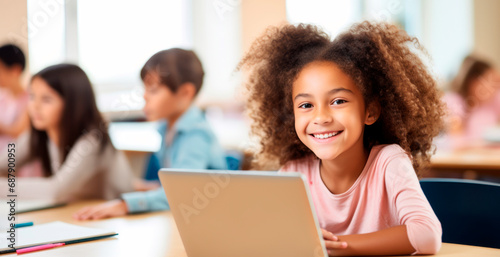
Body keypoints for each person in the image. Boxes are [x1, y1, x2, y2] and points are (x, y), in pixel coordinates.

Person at [239, 22, 444, 255]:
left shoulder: (389, 162)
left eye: (338, 101)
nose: (321, 117)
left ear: (370, 111)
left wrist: (334, 247)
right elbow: (272, 238)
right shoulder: (292, 174)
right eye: (306, 105)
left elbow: (427, 235)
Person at [73, 48, 227, 220]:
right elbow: (175, 185)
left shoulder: (196, 135)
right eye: (145, 89)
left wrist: (124, 205)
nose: (145, 96)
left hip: (206, 220)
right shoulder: (166, 128)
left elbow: (183, 194)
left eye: (153, 90)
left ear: (185, 93)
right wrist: (147, 187)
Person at [0, 64, 134, 202]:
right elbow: (3, 163)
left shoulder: (92, 140)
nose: (35, 106)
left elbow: (54, 191)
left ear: (73, 104)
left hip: (114, 216)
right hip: (75, 211)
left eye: (46, 99)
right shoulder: (39, 135)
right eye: (32, 96)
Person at [0, 44, 42, 177]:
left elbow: (18, 131)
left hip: (21, 163)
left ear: (15, 70)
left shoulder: (30, 99)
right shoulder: (2, 98)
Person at [443, 55, 500, 143]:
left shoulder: (493, 102)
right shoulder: (454, 101)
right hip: (462, 155)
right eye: (493, 82)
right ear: (473, 82)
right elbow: (456, 141)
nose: (497, 87)